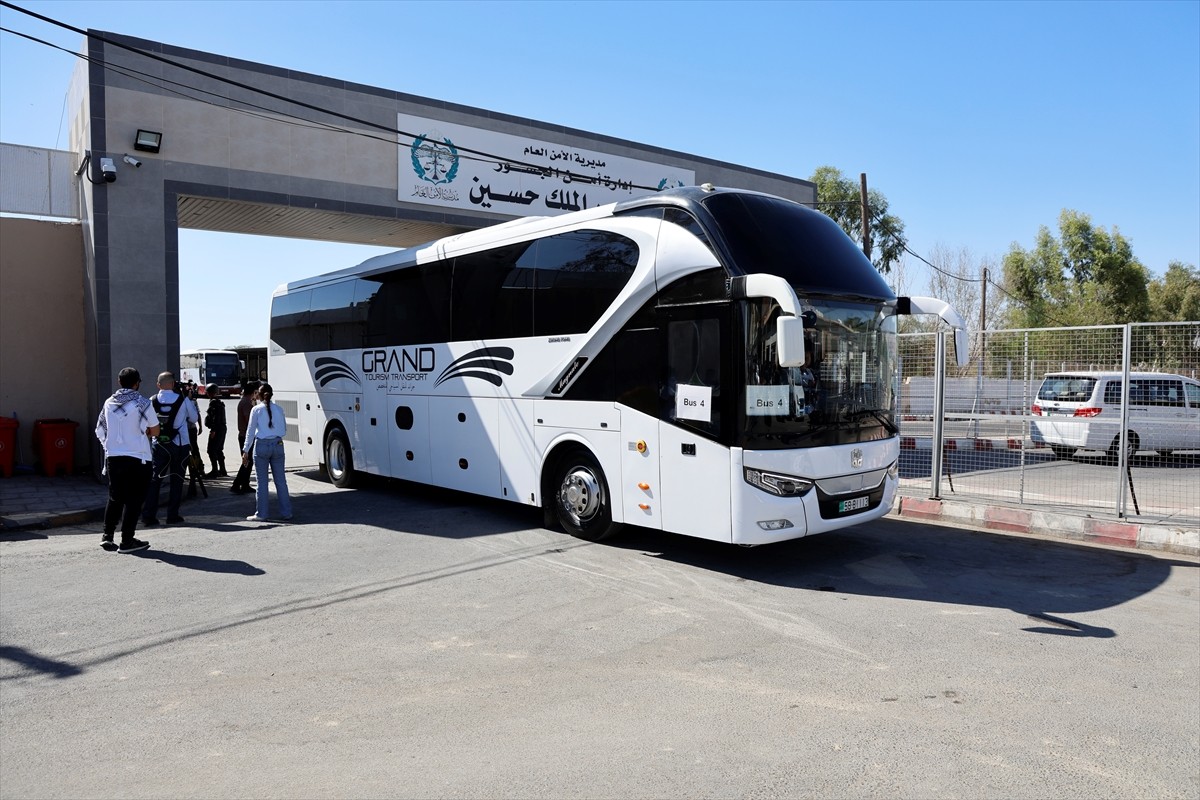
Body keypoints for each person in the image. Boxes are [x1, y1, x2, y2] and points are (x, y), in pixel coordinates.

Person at [94, 367, 158, 553]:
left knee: (115, 497)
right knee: (134, 500)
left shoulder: (108, 403)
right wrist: (143, 430)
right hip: (138, 457)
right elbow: (155, 430)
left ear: (119, 382)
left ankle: (107, 536)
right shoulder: (142, 402)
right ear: (137, 383)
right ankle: (127, 541)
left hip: (114, 457)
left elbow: (101, 428)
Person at [142, 371, 198, 527]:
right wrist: (189, 400)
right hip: (180, 444)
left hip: (159, 445)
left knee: (155, 481)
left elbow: (146, 422)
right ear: (173, 384)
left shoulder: (151, 400)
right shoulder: (183, 400)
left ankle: (149, 515)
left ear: (158, 385)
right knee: (177, 480)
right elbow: (193, 419)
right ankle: (172, 515)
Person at [242, 382, 292, 522]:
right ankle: (286, 512)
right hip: (277, 444)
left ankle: (262, 514)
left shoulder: (256, 410)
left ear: (258, 394)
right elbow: (284, 430)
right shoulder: (279, 409)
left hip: (262, 446)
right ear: (271, 394)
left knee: (262, 482)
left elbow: (250, 431)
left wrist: (246, 450)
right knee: (281, 481)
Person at [229, 381, 259, 495]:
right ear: (253, 392)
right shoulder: (246, 403)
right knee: (247, 461)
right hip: (246, 435)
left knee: (248, 462)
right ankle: (237, 484)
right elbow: (249, 419)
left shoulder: (245, 401)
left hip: (244, 435)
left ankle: (244, 484)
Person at [203, 383, 228, 477]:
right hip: (222, 428)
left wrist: (213, 430)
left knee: (211, 450)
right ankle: (222, 470)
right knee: (219, 449)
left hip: (217, 429)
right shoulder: (219, 402)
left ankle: (215, 470)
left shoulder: (213, 402)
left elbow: (215, 418)